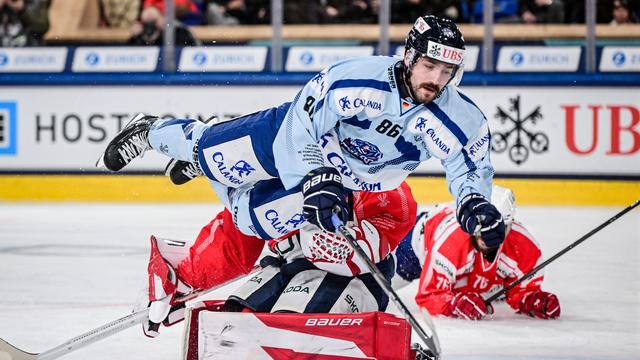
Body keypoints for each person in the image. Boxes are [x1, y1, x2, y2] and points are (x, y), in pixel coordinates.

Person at [100, 14, 505, 255]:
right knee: (211, 151)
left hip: (341, 181)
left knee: (251, 220)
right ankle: (152, 130)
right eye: (429, 66)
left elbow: (467, 167)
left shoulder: (459, 118)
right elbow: (300, 124)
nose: (436, 79)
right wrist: (315, 173)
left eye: (446, 72)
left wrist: (474, 206)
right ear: (410, 57)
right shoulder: (354, 79)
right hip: (292, 143)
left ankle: (208, 173)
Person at [143, 182, 416, 336]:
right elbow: (237, 237)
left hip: (354, 278)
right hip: (289, 267)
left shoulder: (379, 181)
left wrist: (324, 238)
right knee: (234, 325)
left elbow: (363, 255)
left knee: (295, 333)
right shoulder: (275, 173)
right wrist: (182, 279)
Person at [393, 185, 561, 320]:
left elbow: (522, 290)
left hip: (464, 269)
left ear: (510, 225)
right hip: (416, 249)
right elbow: (429, 296)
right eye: (482, 228)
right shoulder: (450, 243)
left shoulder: (524, 247)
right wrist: (453, 305)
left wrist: (531, 300)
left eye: (496, 229)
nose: (486, 237)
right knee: (375, 289)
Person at [127, 5, 198, 46]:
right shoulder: (138, 37)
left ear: (161, 19)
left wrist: (165, 32)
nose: (150, 26)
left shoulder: (177, 32)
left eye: (153, 21)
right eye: (146, 23)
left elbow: (185, 47)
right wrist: (135, 38)